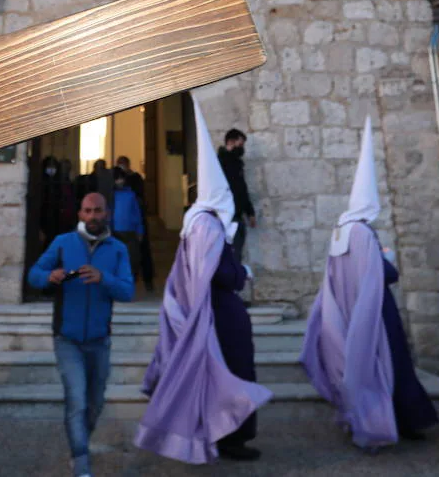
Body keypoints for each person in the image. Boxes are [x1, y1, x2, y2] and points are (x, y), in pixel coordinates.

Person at [135, 99, 270, 464]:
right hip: (222, 313)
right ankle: (232, 439)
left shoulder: (196, 224)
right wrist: (243, 273)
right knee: (235, 371)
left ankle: (218, 435)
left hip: (216, 311)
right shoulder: (209, 226)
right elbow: (220, 274)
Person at [301, 118, 438, 449]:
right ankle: (403, 420)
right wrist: (387, 259)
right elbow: (384, 276)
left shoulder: (340, 231)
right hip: (377, 309)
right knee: (395, 363)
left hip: (350, 311)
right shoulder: (364, 232)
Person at [26, 193, 135, 477]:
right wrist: (49, 277)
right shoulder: (63, 243)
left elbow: (128, 290)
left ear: (107, 213)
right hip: (67, 339)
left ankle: (79, 444)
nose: (92, 216)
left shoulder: (117, 249)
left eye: (97, 211)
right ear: (79, 213)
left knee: (95, 402)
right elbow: (34, 275)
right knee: (77, 400)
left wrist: (104, 278)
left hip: (100, 340)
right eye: (87, 211)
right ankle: (82, 463)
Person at [111, 165, 151, 294]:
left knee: (132, 260)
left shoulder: (130, 195)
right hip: (114, 232)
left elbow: (136, 214)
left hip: (130, 232)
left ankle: (129, 286)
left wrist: (139, 231)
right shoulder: (109, 195)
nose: (119, 181)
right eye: (117, 179)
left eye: (121, 178)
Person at [217, 129, 256, 259]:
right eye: (240, 144)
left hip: (237, 216)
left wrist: (250, 212)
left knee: (237, 255)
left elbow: (241, 189)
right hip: (227, 216)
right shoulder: (220, 163)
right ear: (230, 142)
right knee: (231, 256)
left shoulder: (236, 163)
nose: (242, 148)